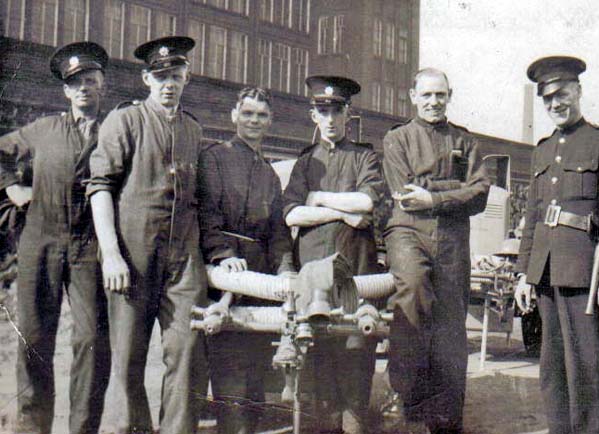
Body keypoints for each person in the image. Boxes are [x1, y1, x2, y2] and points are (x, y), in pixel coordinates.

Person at [514, 56, 599, 434]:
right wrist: (524, 273)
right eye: (548, 99)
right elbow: (533, 219)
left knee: (586, 369)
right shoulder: (541, 150)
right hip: (546, 273)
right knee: (552, 370)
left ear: (578, 92)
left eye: (562, 94)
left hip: (585, 274)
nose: (556, 104)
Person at [87, 36, 207, 434]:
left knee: (187, 352)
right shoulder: (125, 120)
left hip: (182, 261)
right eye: (160, 76)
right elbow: (100, 186)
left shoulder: (192, 128)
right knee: (127, 360)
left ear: (187, 77)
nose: (168, 83)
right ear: (146, 79)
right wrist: (112, 253)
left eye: (176, 74)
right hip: (133, 257)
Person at [0, 42, 111, 434]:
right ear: (65, 90)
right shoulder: (44, 129)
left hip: (89, 245)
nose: (84, 88)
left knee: (91, 340)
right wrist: (11, 186)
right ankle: (32, 426)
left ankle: (84, 428)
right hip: (41, 239)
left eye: (91, 81)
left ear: (103, 86)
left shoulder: (114, 132)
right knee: (33, 337)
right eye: (75, 82)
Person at [382, 68, 489, 434]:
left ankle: (446, 422)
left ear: (449, 95)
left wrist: (435, 194)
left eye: (440, 95)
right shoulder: (397, 139)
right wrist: (451, 192)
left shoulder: (465, 141)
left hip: (453, 240)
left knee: (450, 326)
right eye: (426, 95)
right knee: (412, 292)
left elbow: (480, 193)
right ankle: (404, 398)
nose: (433, 101)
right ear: (412, 95)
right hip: (408, 232)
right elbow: (406, 194)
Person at [282, 75, 384, 433]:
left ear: (347, 114)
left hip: (355, 275)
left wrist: (320, 199)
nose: (330, 119)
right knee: (318, 375)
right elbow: (293, 213)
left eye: (336, 111)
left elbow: (367, 202)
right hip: (312, 278)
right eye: (322, 111)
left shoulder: (364, 156)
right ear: (313, 115)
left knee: (355, 365)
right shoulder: (305, 162)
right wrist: (345, 212)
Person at [197, 86, 295, 434]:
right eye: (248, 113)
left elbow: (278, 232)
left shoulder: (270, 174)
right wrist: (223, 254)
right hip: (225, 275)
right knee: (231, 374)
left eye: (262, 115)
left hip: (260, 279)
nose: (254, 121)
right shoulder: (215, 157)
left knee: (256, 374)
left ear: (270, 122)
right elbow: (206, 214)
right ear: (234, 116)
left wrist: (285, 270)